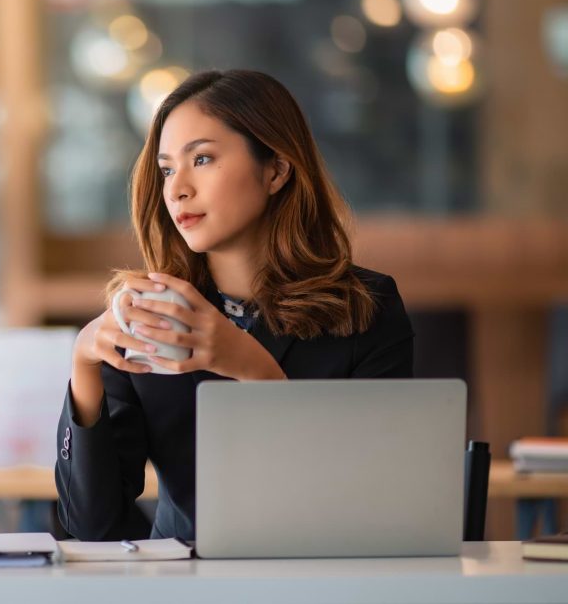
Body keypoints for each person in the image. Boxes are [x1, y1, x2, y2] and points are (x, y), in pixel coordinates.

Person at [54, 69, 414, 541]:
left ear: (276, 170)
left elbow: (378, 504)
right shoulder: (151, 317)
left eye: (201, 159)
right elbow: (92, 526)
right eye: (166, 169)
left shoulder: (367, 307)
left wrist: (253, 369)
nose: (177, 188)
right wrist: (84, 363)